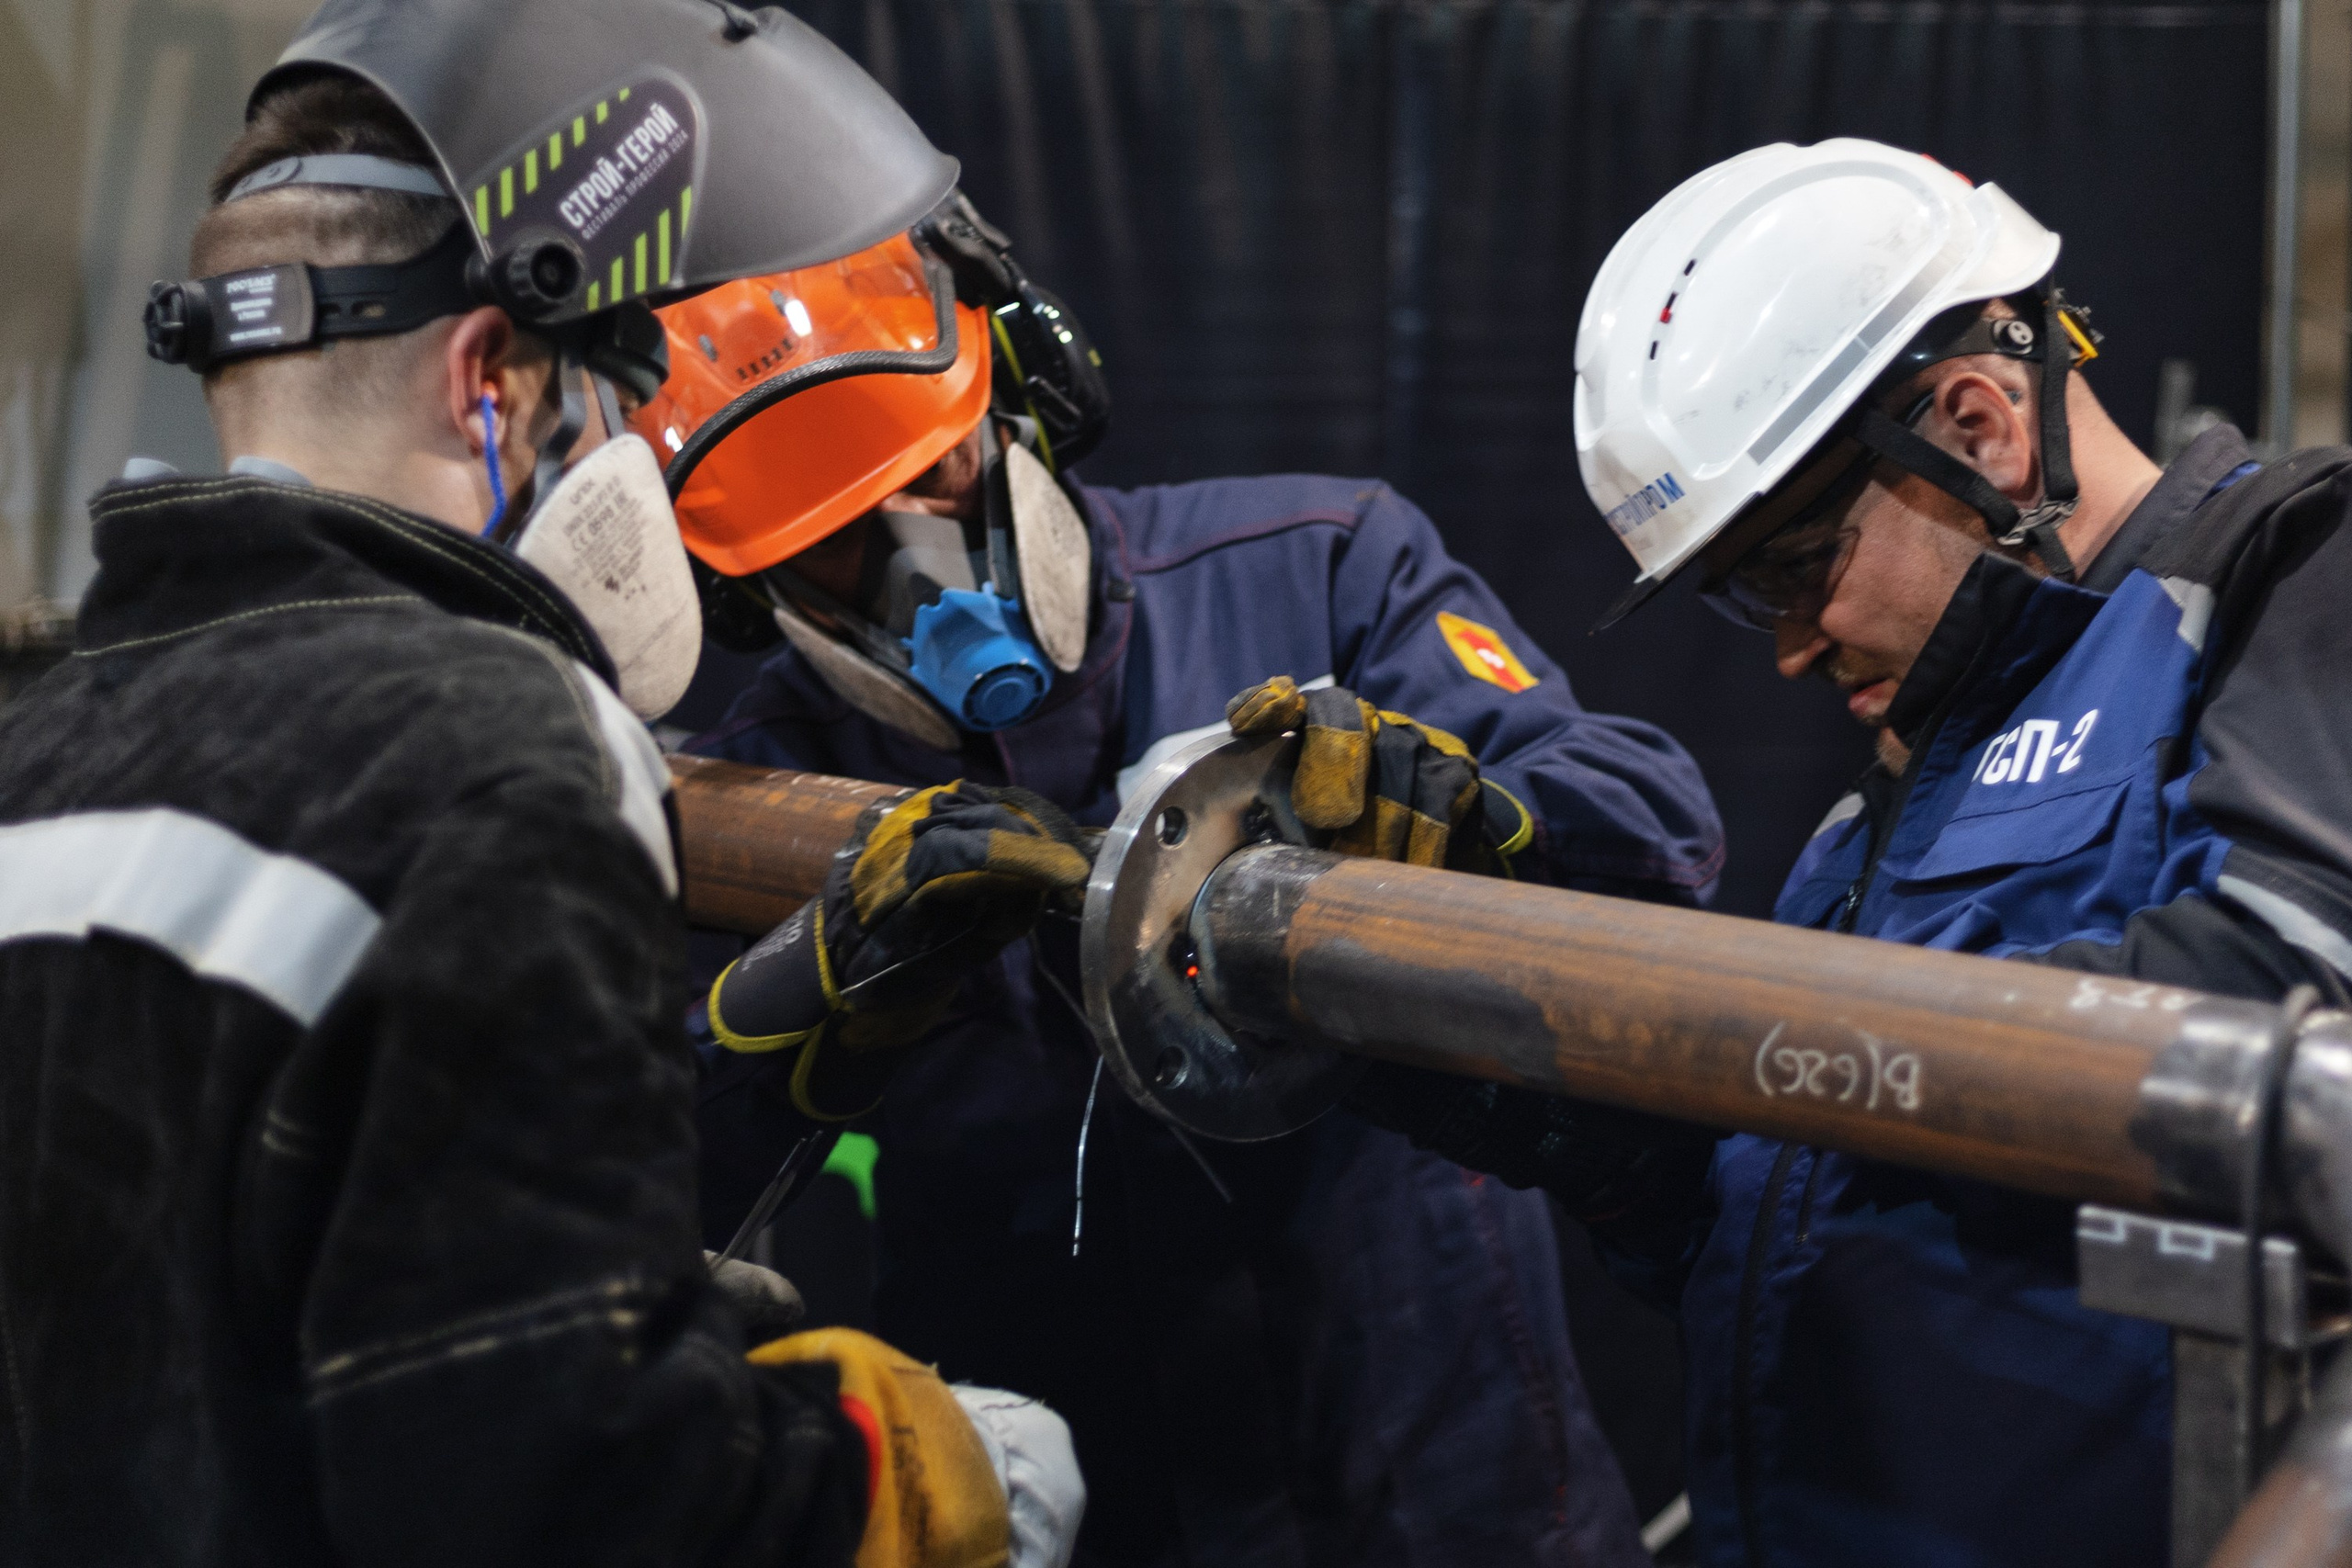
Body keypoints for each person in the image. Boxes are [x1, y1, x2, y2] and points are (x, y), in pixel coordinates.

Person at [0, 4, 1086, 1563]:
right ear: (492, 378)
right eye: (619, 393)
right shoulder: (495, 745)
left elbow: (234, 1301)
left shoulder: (46, 747)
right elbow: (558, 1484)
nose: (623, 457)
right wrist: (902, 1476)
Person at [636, 192, 1727, 1566]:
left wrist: (1458, 819)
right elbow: (640, 1200)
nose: (915, 556)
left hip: (1454, 1489)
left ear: (1018, 397)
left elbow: (1657, 836)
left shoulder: (1319, 569)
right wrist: (816, 983)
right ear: (747, 586)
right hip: (1091, 1506)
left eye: (930, 473)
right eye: (839, 534)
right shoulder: (755, 799)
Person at [1355, 138, 2352, 1566]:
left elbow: (2275, 1001)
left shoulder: (2299, 569)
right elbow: (1763, 1228)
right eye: (1737, 596)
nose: (1785, 648)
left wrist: (1767, 1055)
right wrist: (1531, 1091)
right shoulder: (1892, 793)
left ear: (1978, 424)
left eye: (1795, 565)